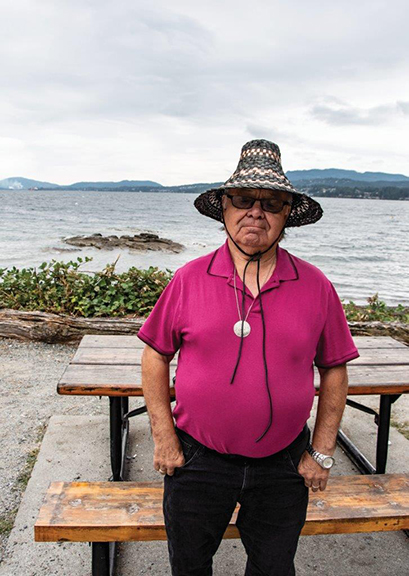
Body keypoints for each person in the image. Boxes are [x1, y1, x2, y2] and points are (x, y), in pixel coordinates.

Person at [138, 139, 360, 576]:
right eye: (243, 199)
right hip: (197, 459)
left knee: (274, 569)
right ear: (224, 208)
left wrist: (322, 450)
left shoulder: (315, 285)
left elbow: (334, 367)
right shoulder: (189, 278)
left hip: (283, 464)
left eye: (272, 203)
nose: (255, 211)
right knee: (189, 565)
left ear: (285, 216)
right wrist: (164, 438)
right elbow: (155, 354)